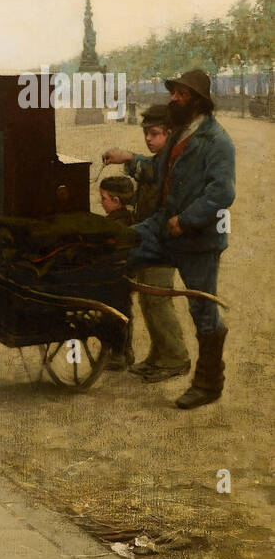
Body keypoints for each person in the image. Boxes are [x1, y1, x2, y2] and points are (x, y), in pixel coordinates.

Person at [116, 69, 234, 409]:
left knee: (203, 310)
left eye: (180, 94)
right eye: (174, 93)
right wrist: (130, 160)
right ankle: (119, 347)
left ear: (197, 101)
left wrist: (186, 220)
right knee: (117, 251)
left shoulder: (217, 141)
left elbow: (222, 192)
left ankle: (208, 382)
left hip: (198, 241)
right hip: (161, 228)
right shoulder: (181, 131)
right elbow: (156, 171)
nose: (174, 98)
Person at [103, 103, 190, 382]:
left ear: (170, 133)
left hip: (164, 243)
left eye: (154, 134)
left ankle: (176, 357)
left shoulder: (172, 160)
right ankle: (158, 354)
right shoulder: (160, 158)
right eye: (146, 134)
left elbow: (150, 170)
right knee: (149, 300)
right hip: (151, 239)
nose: (149, 140)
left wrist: (127, 156)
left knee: (159, 299)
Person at [98, 174, 138, 370]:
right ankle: (125, 351)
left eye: (104, 198)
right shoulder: (131, 219)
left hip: (113, 278)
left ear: (116, 201)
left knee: (113, 315)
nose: (101, 202)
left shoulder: (113, 225)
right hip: (126, 276)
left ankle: (117, 356)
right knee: (126, 312)